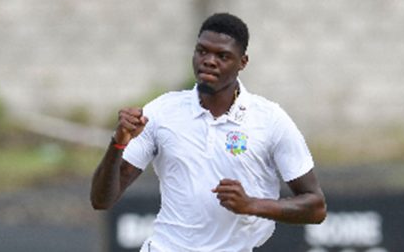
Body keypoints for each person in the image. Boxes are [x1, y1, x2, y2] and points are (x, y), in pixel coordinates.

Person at [90, 13, 326, 252]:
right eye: (202, 51)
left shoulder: (269, 120)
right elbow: (101, 200)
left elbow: (316, 207)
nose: (209, 61)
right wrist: (117, 143)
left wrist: (251, 205)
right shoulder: (161, 112)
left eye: (222, 56)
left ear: (242, 62)